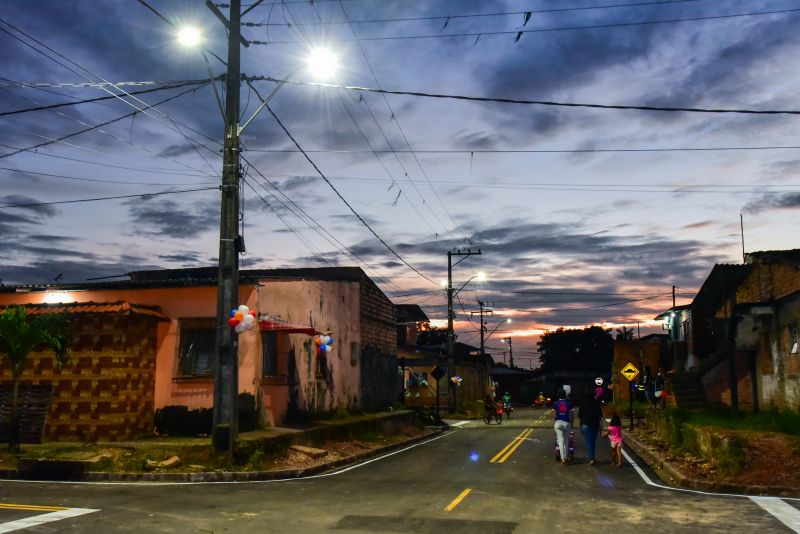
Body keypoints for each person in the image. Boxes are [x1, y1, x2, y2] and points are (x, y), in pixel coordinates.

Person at [578, 391, 603, 465]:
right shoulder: (597, 406)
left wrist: (580, 427)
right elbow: (600, 418)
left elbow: (580, 418)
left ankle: (591, 458)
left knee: (588, 442)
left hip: (585, 426)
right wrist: (601, 428)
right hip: (595, 426)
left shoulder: (582, 406)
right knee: (592, 442)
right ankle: (592, 458)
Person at [552, 389, 574, 465]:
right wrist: (571, 424)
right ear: (565, 394)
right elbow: (571, 416)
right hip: (567, 423)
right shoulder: (569, 403)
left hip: (558, 423)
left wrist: (557, 420)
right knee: (566, 441)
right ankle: (566, 456)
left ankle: (563, 458)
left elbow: (554, 415)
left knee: (560, 441)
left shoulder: (555, 403)